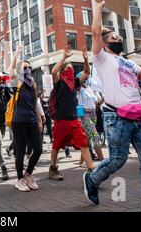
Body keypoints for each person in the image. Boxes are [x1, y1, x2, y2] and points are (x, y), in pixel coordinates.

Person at [83, 0, 141, 212]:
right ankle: (92, 179)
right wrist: (99, 9)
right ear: (105, 43)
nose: (118, 37)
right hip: (117, 117)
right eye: (113, 36)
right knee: (118, 160)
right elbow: (94, 34)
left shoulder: (127, 62)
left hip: (140, 117)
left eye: (118, 36)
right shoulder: (101, 58)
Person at [49, 47, 95, 181]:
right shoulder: (59, 83)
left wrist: (86, 60)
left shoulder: (74, 83)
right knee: (56, 146)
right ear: (63, 72)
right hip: (61, 121)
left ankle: (91, 169)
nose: (71, 71)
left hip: (74, 120)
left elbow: (87, 72)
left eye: (72, 69)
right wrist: (64, 57)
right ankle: (53, 168)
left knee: (84, 143)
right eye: (68, 69)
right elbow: (53, 71)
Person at [8, 45, 43, 192]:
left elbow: (35, 104)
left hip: (32, 121)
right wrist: (17, 53)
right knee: (20, 151)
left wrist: (40, 120)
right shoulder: (18, 82)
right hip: (19, 122)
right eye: (24, 67)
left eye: (29, 67)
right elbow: (11, 69)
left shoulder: (33, 84)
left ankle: (28, 174)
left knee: (39, 149)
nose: (27, 69)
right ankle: (19, 179)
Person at [76, 73, 105, 165]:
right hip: (84, 114)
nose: (88, 79)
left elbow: (95, 103)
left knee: (88, 138)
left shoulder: (90, 89)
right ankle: (102, 161)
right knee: (95, 136)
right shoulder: (79, 89)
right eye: (86, 77)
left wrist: (103, 99)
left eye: (88, 77)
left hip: (93, 114)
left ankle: (81, 160)